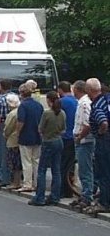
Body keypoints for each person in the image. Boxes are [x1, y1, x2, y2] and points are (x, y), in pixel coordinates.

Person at [28, 91, 65, 207]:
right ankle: (55, 196)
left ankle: (40, 197)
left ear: (49, 100)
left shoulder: (47, 113)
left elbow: (40, 129)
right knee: (56, 169)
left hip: (48, 141)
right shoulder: (62, 113)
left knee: (42, 169)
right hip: (59, 141)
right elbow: (63, 129)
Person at [82, 78, 110, 216]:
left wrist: (101, 132)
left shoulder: (97, 105)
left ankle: (105, 203)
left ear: (88, 90)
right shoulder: (107, 99)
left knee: (104, 172)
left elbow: (103, 122)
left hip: (104, 140)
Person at [70, 80, 94, 210]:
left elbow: (87, 123)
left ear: (77, 90)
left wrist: (80, 137)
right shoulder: (83, 102)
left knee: (85, 169)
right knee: (85, 169)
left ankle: (87, 196)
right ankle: (86, 194)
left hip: (84, 141)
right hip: (84, 140)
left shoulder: (84, 104)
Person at [16, 82, 43, 192]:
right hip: (37, 136)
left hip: (26, 136)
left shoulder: (23, 105)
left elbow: (21, 121)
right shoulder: (39, 105)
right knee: (36, 161)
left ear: (21, 94)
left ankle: (27, 184)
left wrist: (18, 133)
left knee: (26, 161)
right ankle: (37, 183)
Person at [57, 81, 78, 198]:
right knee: (71, 164)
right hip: (74, 136)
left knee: (62, 164)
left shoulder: (61, 102)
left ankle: (62, 190)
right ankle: (70, 188)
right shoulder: (76, 101)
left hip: (64, 136)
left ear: (60, 90)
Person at [3, 93, 22, 190]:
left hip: (13, 139)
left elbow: (8, 128)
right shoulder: (20, 111)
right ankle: (18, 181)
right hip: (20, 139)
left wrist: (5, 135)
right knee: (19, 161)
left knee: (14, 162)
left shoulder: (12, 114)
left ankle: (16, 182)